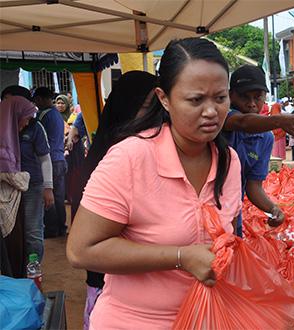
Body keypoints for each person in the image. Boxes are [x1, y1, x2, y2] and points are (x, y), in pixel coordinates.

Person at [66, 38, 243, 328]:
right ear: (164, 98)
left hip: (205, 318)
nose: (211, 111)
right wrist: (180, 257)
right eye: (196, 100)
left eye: (220, 98)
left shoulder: (229, 161)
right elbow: (80, 250)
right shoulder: (131, 158)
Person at [70, 71, 157, 330]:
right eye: (147, 107)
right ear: (126, 108)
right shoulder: (113, 158)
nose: (157, 115)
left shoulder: (149, 147)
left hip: (148, 284)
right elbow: (85, 246)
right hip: (112, 285)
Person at [222, 64, 294, 237]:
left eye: (257, 97)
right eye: (244, 97)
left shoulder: (265, 138)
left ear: (265, 97)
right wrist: (278, 121)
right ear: (230, 95)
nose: (251, 104)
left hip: (234, 214)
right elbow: (242, 122)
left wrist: (272, 208)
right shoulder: (223, 119)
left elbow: (253, 186)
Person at [0, 87, 39, 278]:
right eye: (26, 119)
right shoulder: (3, 141)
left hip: (12, 204)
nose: (25, 124)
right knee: (10, 251)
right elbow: (16, 178)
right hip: (5, 207)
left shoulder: (10, 137)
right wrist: (25, 177)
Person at [19, 101, 54, 265]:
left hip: (32, 186)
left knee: (32, 231)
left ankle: (33, 270)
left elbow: (45, 159)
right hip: (7, 187)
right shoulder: (4, 126)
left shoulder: (35, 128)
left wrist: (48, 187)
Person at [33, 87, 67, 238]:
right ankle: (61, 227)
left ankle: (52, 229)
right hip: (60, 159)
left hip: (49, 161)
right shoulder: (57, 115)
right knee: (58, 197)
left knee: (48, 196)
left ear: (39, 99)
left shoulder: (43, 115)